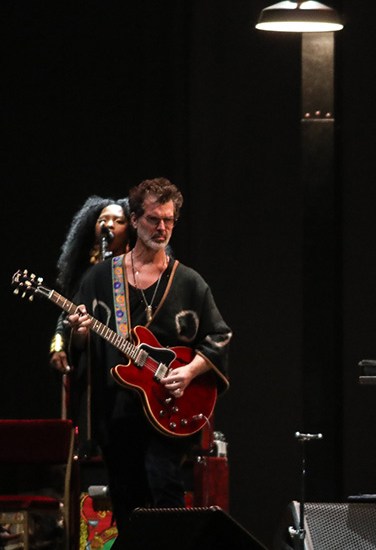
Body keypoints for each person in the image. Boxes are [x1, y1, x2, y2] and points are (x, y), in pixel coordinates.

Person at [66, 177, 232, 530]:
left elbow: (219, 335)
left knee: (164, 484)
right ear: (135, 219)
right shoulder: (99, 278)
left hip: (169, 406)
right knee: (126, 497)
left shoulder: (189, 282)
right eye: (154, 219)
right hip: (118, 410)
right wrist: (79, 334)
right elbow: (78, 344)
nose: (162, 228)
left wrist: (188, 372)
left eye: (169, 220)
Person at [50, 197, 132, 375]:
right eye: (102, 220)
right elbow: (67, 313)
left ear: (131, 229)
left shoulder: (136, 273)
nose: (108, 225)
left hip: (129, 366)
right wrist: (58, 347)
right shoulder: (87, 274)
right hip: (93, 368)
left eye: (119, 221)